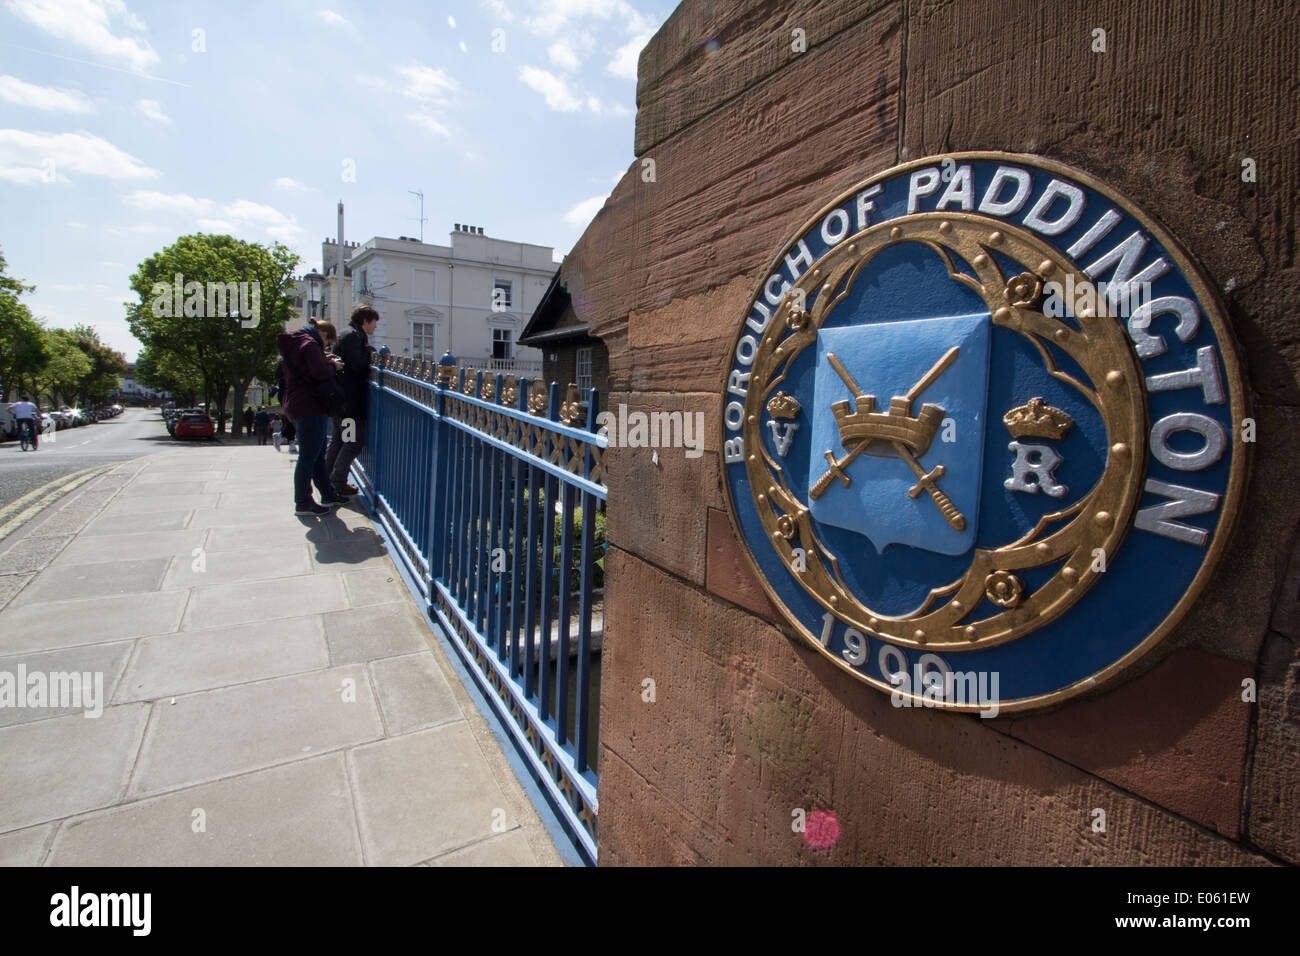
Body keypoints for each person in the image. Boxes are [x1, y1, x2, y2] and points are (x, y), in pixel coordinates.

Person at [276, 317, 348, 515]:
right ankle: (303, 501)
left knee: (316, 454)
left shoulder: (297, 342)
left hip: (297, 404)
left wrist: (324, 359)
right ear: (324, 335)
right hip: (309, 406)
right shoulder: (309, 345)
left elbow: (307, 368)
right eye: (328, 343)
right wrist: (334, 366)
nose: (327, 346)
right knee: (308, 456)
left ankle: (327, 492)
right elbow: (319, 373)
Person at [324, 304, 379, 494]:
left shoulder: (349, 334)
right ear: (365, 321)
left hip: (342, 400)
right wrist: (370, 353)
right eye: (373, 323)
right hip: (349, 403)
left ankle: (326, 477)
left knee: (339, 440)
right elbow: (358, 365)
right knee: (352, 442)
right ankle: (338, 480)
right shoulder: (352, 336)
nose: (375, 327)